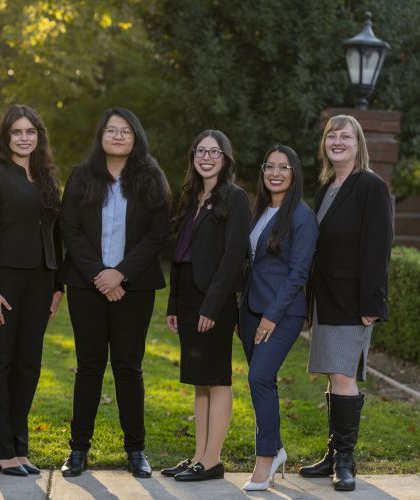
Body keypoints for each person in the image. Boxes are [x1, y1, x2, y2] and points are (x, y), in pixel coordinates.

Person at [59, 108, 171, 478]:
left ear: (136, 137)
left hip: (133, 288)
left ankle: (136, 449)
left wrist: (119, 274)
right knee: (89, 366)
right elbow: (70, 230)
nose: (118, 136)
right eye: (111, 130)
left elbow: (157, 236)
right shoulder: (81, 176)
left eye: (125, 131)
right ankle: (78, 450)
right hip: (86, 286)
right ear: (101, 136)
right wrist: (99, 275)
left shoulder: (152, 179)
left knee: (129, 367)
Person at [299, 115, 393, 491]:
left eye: (346, 136)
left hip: (353, 299)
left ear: (358, 144)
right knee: (334, 373)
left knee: (343, 374)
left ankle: (345, 460)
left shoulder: (370, 186)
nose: (337, 141)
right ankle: (332, 453)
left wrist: (371, 302)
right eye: (331, 136)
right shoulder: (326, 187)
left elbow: (377, 247)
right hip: (326, 297)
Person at [0, 104, 63, 477]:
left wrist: (58, 284)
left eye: (31, 132)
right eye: (17, 132)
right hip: (5, 283)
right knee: (0, 363)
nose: (24, 138)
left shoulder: (46, 179)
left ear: (39, 137)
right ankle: (1, 450)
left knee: (28, 365)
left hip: (41, 282)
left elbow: (56, 234)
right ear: (5, 137)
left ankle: (19, 447)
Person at [162, 130, 250, 482]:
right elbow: (179, 256)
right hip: (186, 297)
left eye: (214, 152)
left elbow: (233, 258)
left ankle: (212, 460)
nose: (207, 157)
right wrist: (172, 301)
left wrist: (212, 308)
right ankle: (199, 455)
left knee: (216, 380)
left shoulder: (236, 198)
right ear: (193, 156)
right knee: (199, 381)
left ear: (225, 159)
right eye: (201, 151)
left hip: (214, 300)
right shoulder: (190, 198)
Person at [238, 145, 318, 490]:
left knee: (258, 377)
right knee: (263, 383)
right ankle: (277, 447)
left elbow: (299, 273)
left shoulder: (301, 216)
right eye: (269, 166)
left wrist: (272, 315)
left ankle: (266, 458)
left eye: (283, 167)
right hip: (251, 310)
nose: (275, 173)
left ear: (294, 173)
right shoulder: (259, 211)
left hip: (281, 314)